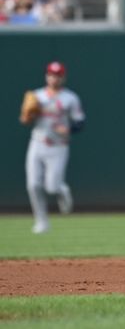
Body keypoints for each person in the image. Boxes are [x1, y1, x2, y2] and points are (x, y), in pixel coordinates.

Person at [20, 61, 85, 234]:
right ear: (46, 76)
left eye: (57, 75)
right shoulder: (37, 96)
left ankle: (62, 190)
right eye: (51, 74)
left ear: (63, 77)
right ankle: (42, 222)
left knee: (52, 187)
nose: (53, 78)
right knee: (33, 185)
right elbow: (25, 120)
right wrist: (27, 116)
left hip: (58, 146)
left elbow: (80, 122)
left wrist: (69, 129)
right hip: (38, 142)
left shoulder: (70, 98)